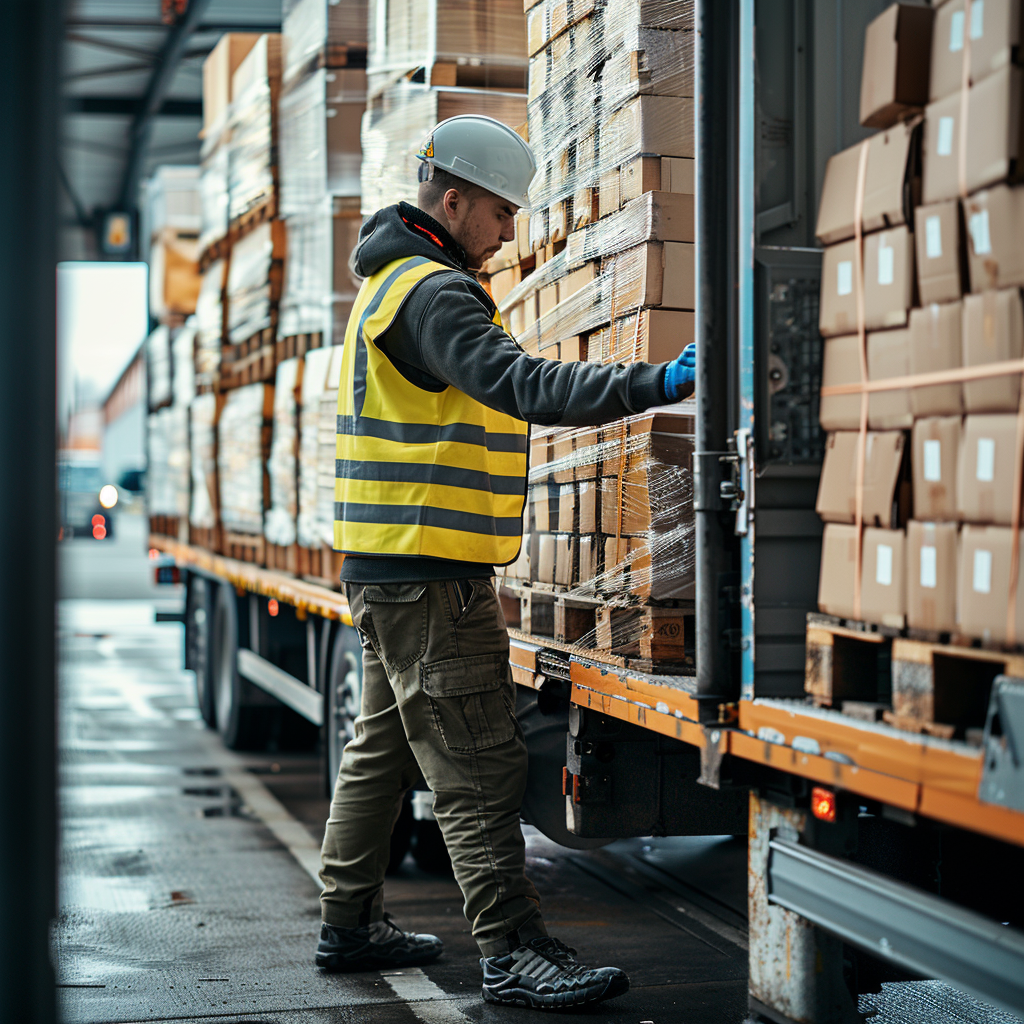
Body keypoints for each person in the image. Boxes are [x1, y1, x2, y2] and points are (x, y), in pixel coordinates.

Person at [316, 114, 696, 1011]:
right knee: (478, 763)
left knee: (381, 747)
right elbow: (523, 384)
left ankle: (349, 922)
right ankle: (513, 948)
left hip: (389, 567)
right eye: (500, 212)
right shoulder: (434, 294)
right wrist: (658, 383)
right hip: (430, 576)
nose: (510, 231)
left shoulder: (387, 283)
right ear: (452, 200)